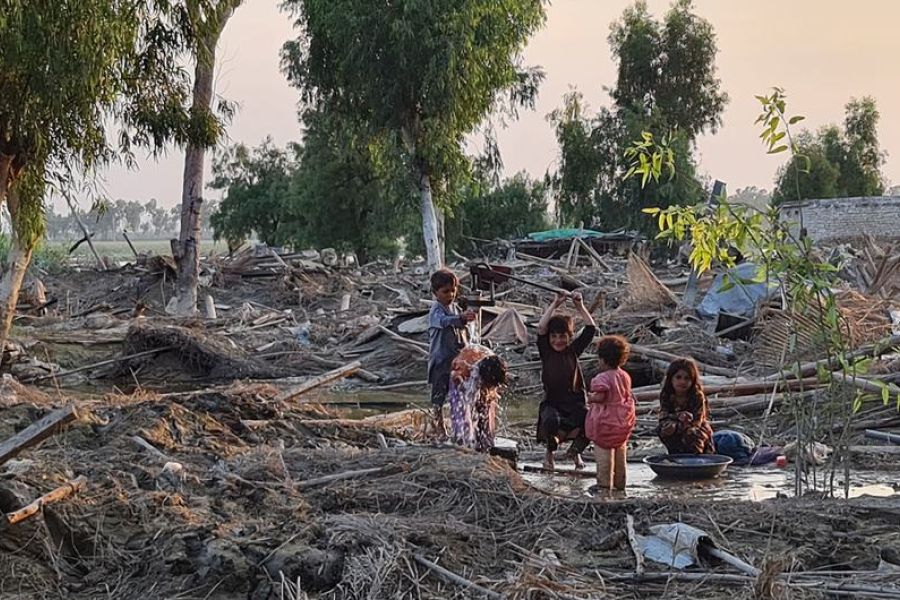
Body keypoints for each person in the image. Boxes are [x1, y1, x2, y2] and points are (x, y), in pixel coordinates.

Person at [535, 291, 597, 470]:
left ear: (569, 337)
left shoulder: (572, 351)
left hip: (575, 401)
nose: (558, 340)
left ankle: (575, 452)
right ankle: (549, 454)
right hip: (552, 402)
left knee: (590, 421)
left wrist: (580, 306)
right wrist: (555, 303)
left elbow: (590, 329)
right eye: (554, 336)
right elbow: (541, 328)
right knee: (550, 421)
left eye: (562, 336)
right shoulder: (546, 352)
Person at [427, 269, 476, 436]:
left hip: (456, 360)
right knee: (439, 395)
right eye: (446, 291)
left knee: (460, 393)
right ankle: (438, 426)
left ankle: (460, 425)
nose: (451, 294)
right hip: (441, 360)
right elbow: (443, 322)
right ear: (435, 293)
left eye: (453, 290)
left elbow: (461, 329)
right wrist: (461, 319)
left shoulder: (454, 308)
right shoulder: (436, 309)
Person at [586, 335, 636, 492]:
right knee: (620, 454)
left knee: (604, 455)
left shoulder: (602, 378)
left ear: (603, 359)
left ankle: (604, 485)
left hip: (606, 424)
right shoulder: (624, 376)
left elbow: (601, 397)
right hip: (622, 422)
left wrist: (590, 397)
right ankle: (620, 484)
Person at [447, 344, 508, 451]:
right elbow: (464, 400)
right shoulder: (463, 368)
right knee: (462, 420)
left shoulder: (494, 365)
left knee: (487, 412)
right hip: (460, 384)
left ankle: (487, 444)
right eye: (489, 384)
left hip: (482, 373)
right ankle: (463, 446)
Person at [656, 358, 715, 454]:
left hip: (696, 428)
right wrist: (675, 419)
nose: (682, 382)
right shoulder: (666, 394)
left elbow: (698, 421)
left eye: (687, 378)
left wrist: (684, 422)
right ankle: (674, 454)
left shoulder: (697, 396)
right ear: (671, 379)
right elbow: (663, 415)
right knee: (662, 429)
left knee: (692, 433)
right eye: (678, 377)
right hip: (675, 424)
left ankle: (695, 458)